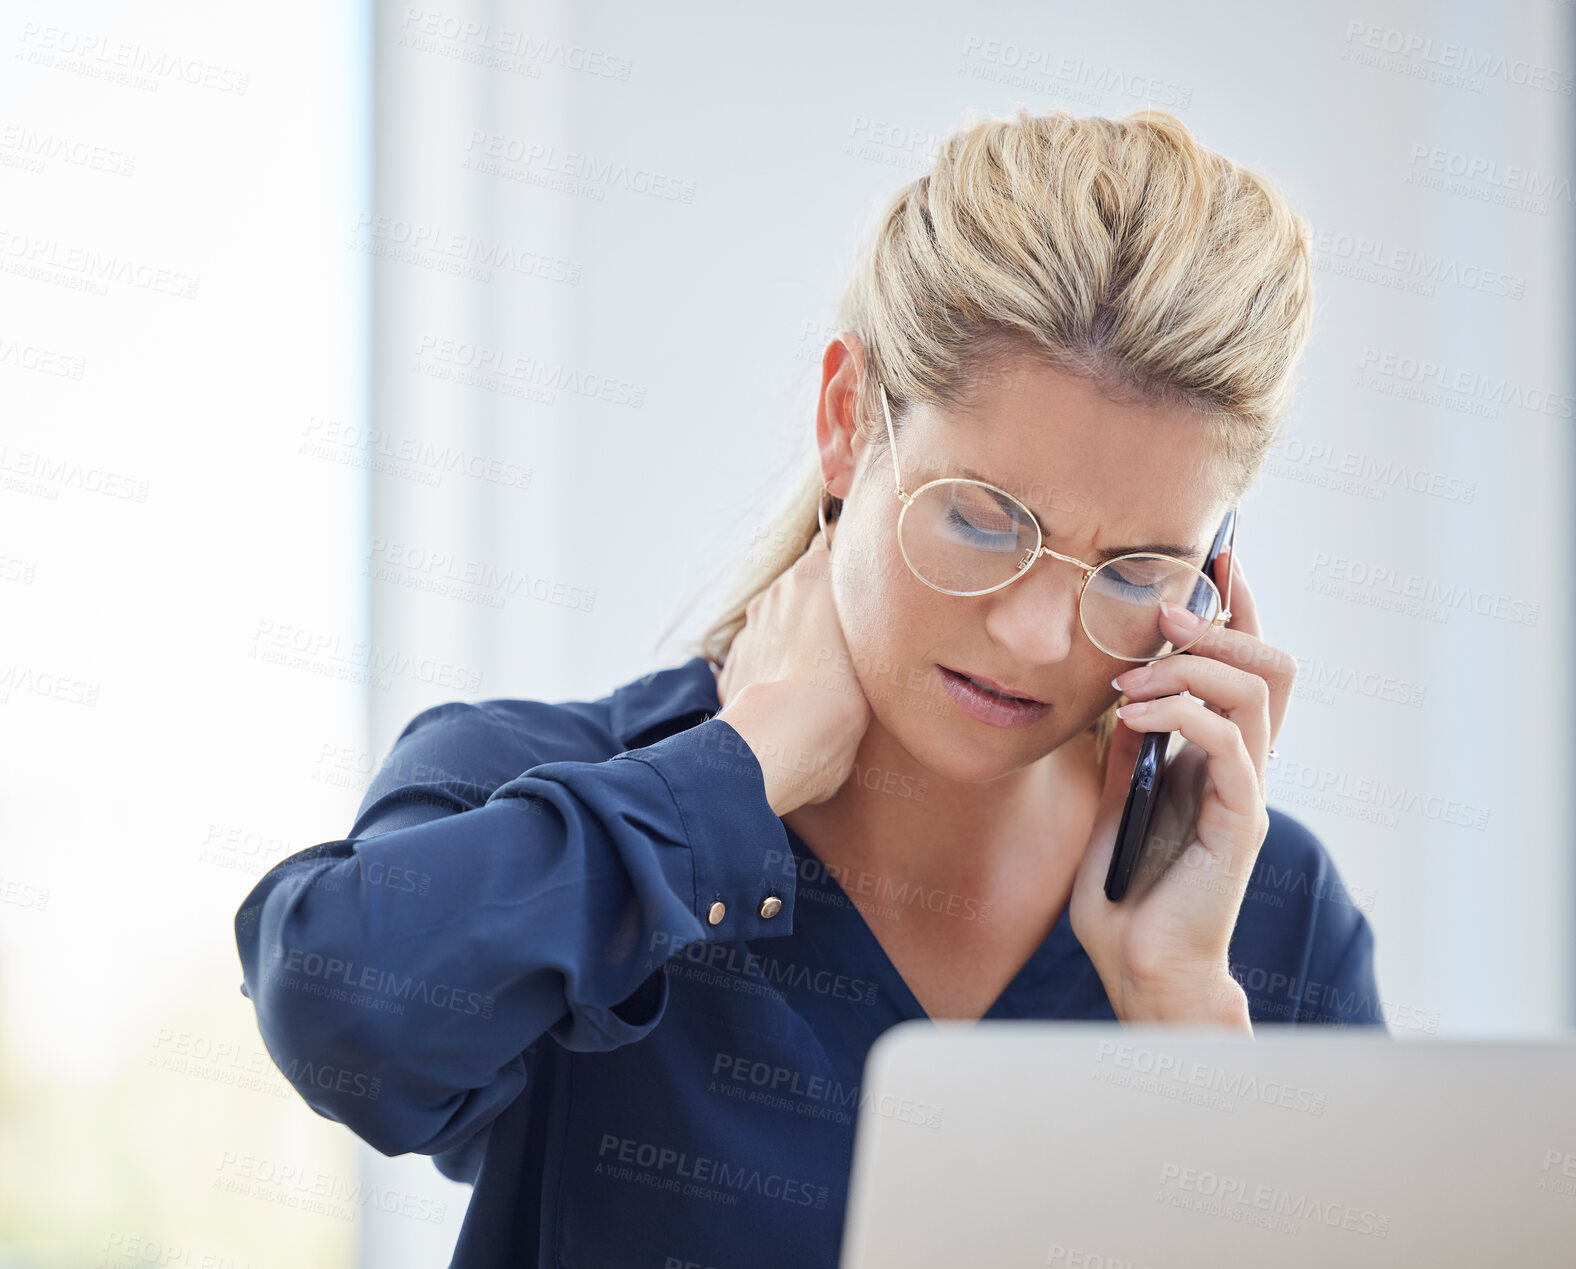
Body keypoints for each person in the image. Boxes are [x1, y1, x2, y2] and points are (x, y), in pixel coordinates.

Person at [233, 105, 1385, 1268]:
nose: (1038, 636)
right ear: (846, 421)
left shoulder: (1264, 916)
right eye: (984, 522)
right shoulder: (547, 796)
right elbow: (345, 1020)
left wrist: (1180, 1008)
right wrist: (737, 772)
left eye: (1136, 570)